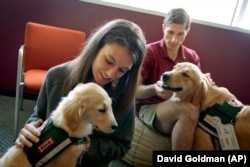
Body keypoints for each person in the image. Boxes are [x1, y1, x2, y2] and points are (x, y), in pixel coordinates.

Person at [15, 19, 146, 166]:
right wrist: (30, 129)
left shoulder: (125, 94)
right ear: (96, 49)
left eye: (122, 70)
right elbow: (38, 115)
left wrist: (85, 147)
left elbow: (123, 145)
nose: (111, 73)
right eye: (109, 61)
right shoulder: (56, 76)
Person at [136, 8, 201, 150]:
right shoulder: (149, 52)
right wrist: (154, 89)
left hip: (180, 103)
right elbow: (134, 91)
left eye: (180, 34)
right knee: (188, 111)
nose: (174, 40)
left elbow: (197, 91)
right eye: (170, 32)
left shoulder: (192, 57)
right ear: (163, 27)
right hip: (150, 108)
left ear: (187, 31)